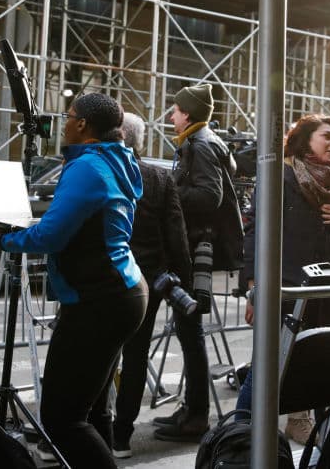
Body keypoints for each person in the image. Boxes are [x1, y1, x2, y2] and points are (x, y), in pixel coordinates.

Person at [0, 93, 147, 468]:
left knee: (62, 419)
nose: (62, 123)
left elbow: (50, 236)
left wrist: (7, 237)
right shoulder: (114, 159)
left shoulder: (87, 168)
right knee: (92, 410)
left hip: (101, 300)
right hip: (120, 293)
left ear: (82, 125)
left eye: (67, 116)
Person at [236, 114, 330, 442]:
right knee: (267, 368)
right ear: (306, 141)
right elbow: (254, 232)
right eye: (326, 136)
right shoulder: (280, 176)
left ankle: (325, 445)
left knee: (327, 373)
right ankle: (239, 438)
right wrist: (252, 286)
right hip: (286, 291)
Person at [154, 83, 242, 442]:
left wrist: (169, 189)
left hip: (193, 247)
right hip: (192, 245)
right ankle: (192, 409)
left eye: (175, 110)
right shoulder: (198, 141)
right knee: (190, 331)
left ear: (187, 114)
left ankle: (196, 415)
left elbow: (209, 194)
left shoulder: (201, 144)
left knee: (191, 331)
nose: (171, 116)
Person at [111, 112, 191, 459]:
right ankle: (122, 435)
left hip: (109, 275)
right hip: (148, 280)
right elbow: (177, 235)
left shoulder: (106, 172)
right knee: (136, 356)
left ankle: (93, 427)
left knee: (101, 353)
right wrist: (182, 283)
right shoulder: (160, 178)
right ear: (139, 140)